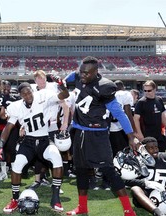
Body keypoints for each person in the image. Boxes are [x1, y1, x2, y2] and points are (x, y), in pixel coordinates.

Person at [64, 56, 137, 216]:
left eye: (86, 73)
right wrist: (61, 83)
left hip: (97, 135)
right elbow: (64, 83)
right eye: (81, 72)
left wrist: (131, 135)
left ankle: (128, 210)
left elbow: (119, 112)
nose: (82, 75)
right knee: (81, 170)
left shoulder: (105, 86)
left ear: (96, 71)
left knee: (109, 171)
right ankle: (82, 207)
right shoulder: (77, 76)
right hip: (79, 133)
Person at [0, 81, 69, 213]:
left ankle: (56, 197)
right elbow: (8, 127)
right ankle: (14, 199)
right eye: (24, 93)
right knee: (17, 165)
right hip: (28, 141)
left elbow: (64, 95)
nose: (27, 95)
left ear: (32, 90)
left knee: (56, 158)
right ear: (20, 95)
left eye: (29, 92)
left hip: (44, 139)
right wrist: (0, 145)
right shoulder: (16, 106)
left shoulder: (43, 97)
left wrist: (62, 85)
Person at [125, 137, 166, 216]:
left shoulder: (165, 157)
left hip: (164, 192)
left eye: (156, 147)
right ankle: (158, 213)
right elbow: (126, 180)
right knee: (135, 189)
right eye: (151, 148)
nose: (155, 150)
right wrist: (146, 183)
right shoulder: (137, 160)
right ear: (144, 149)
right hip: (145, 194)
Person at [134, 80, 166, 152]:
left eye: (149, 90)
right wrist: (139, 134)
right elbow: (136, 119)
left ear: (154, 90)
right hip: (147, 135)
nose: (146, 93)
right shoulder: (141, 102)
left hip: (159, 134)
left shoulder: (159, 100)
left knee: (161, 155)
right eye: (145, 91)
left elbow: (163, 115)